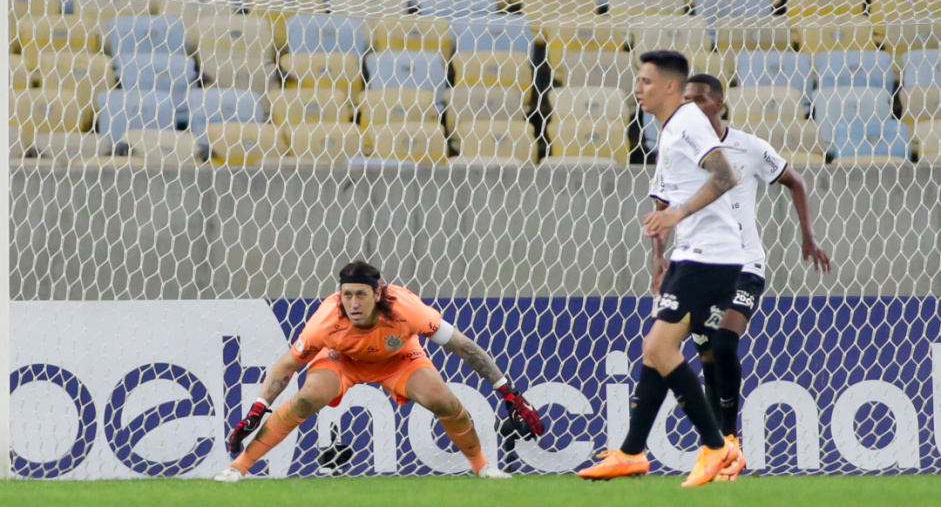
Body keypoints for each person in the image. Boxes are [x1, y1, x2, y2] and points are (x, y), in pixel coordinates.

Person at [214, 260, 544, 482]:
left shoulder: (408, 310)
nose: (353, 303)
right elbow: (286, 366)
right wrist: (259, 408)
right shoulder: (326, 322)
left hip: (399, 358)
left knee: (442, 400)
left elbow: (465, 347)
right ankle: (238, 467)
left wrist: (508, 392)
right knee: (309, 397)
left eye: (360, 294)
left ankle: (482, 466)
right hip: (342, 359)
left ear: (377, 293)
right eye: (347, 295)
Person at [578, 50, 744, 487]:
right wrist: (660, 255)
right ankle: (631, 452)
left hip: (713, 255)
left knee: (659, 348)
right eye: (638, 80)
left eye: (646, 81)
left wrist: (677, 215)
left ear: (671, 87)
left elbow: (726, 176)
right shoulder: (669, 130)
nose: (638, 88)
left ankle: (716, 446)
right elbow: (668, 198)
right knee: (654, 352)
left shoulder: (689, 121)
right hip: (691, 255)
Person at [681, 73, 832, 480]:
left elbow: (795, 182)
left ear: (718, 104)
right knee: (709, 358)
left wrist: (808, 237)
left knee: (726, 343)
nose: (690, 106)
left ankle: (729, 447)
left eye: (698, 99)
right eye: (685, 99)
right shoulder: (680, 149)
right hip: (698, 267)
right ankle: (719, 452)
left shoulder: (748, 147)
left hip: (745, 265)